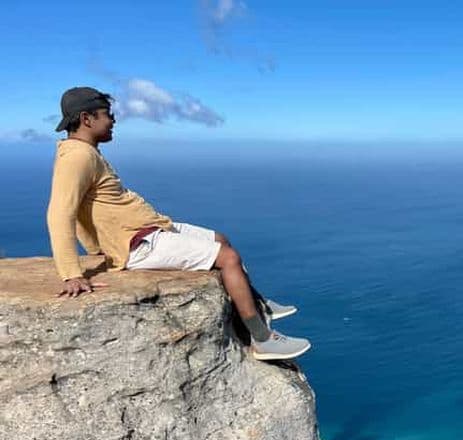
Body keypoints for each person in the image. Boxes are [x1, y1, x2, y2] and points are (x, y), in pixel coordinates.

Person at [46, 86, 310, 361]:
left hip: (147, 230)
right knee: (228, 258)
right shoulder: (77, 156)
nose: (113, 121)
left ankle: (256, 305)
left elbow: (82, 209)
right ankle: (262, 339)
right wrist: (71, 273)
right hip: (138, 244)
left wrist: (94, 246)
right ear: (87, 118)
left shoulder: (85, 152)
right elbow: (61, 212)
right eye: (107, 115)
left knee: (220, 239)